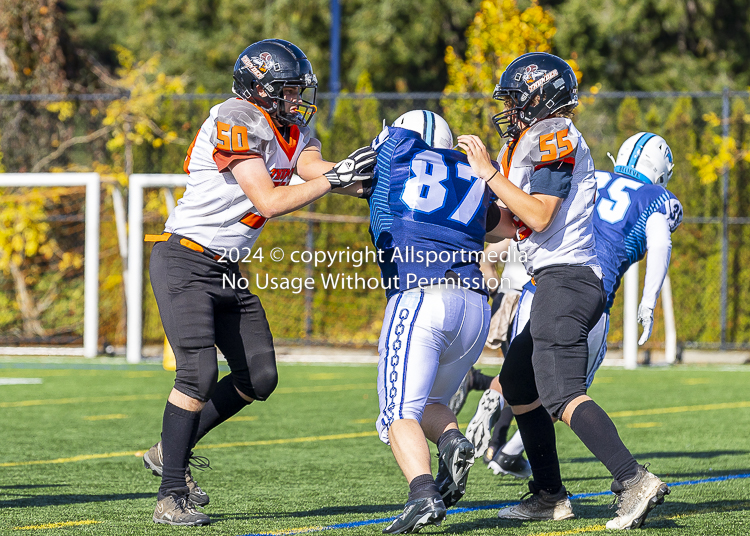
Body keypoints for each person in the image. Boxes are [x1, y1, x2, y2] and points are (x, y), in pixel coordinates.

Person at [141, 39, 375, 526]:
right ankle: (169, 496)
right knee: (198, 375)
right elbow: (267, 200)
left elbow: (311, 167)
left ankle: (169, 450)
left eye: (298, 91)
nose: (297, 100)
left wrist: (367, 178)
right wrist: (336, 183)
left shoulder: (291, 126)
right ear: (260, 88)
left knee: (259, 378)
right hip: (185, 258)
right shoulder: (234, 115)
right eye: (288, 91)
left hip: (226, 267)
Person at [457, 52, 670, 530]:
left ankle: (633, 479)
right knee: (516, 382)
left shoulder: (554, 134)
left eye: (516, 100)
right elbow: (513, 223)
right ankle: (549, 494)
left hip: (568, 279)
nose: (509, 111)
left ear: (541, 98)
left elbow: (539, 216)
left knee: (561, 393)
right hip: (557, 279)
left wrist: (489, 172)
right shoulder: (534, 140)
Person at [465, 132, 683, 483]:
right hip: (585, 295)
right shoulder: (655, 197)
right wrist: (648, 299)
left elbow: (533, 215)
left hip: (537, 286)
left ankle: (537, 479)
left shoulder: (590, 172)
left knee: (521, 380)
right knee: (566, 394)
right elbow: (660, 241)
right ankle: (630, 477)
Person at [365, 110, 501, 534]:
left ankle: (422, 493)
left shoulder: (395, 156)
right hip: (474, 307)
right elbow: (508, 225)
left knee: (396, 414)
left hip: (421, 296)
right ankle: (451, 442)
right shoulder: (471, 172)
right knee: (428, 404)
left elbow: (331, 174)